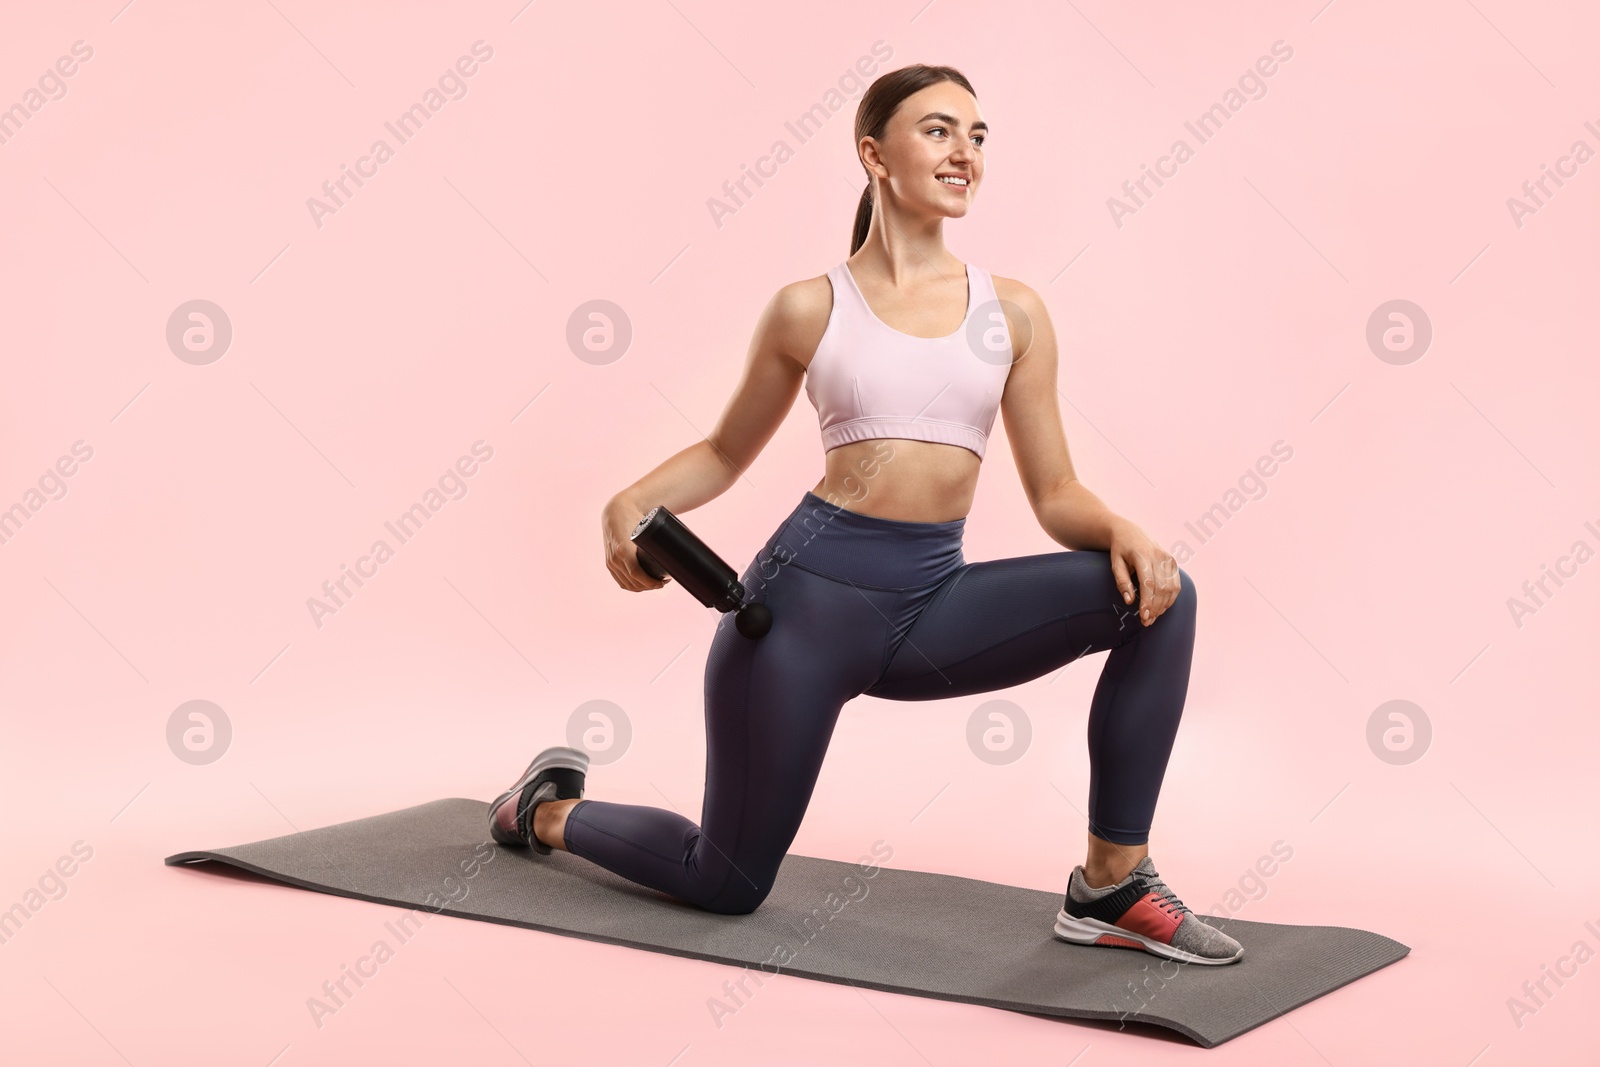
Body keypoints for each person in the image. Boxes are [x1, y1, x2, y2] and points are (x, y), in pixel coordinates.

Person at [490, 64, 1242, 966]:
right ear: (873, 153)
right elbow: (726, 453)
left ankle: (1111, 884)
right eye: (938, 130)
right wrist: (629, 497)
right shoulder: (811, 307)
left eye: (977, 134)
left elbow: (1054, 494)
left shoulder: (1013, 315)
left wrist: (1123, 529)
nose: (964, 150)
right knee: (725, 881)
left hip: (933, 606)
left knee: (1163, 596)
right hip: (799, 617)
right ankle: (542, 808)